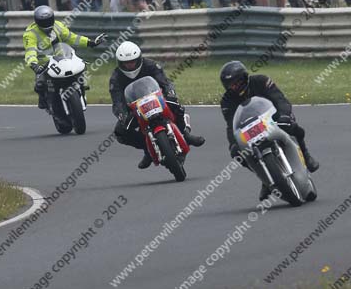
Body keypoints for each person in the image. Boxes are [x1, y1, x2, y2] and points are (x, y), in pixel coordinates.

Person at [219, 61, 319, 200]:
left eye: (238, 82)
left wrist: (284, 115)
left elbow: (279, 99)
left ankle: (306, 157)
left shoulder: (261, 81)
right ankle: (265, 178)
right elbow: (231, 126)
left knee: (293, 128)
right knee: (237, 154)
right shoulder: (226, 101)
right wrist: (233, 143)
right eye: (231, 85)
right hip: (252, 129)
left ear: (245, 77)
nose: (235, 87)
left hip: (273, 118)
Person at [109, 42, 205, 168]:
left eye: (132, 61)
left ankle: (185, 135)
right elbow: (117, 101)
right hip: (134, 109)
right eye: (126, 63)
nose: (130, 65)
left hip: (156, 99)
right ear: (120, 63)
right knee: (120, 132)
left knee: (175, 105)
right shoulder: (116, 78)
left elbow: (165, 82)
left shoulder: (151, 65)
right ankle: (147, 150)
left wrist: (170, 93)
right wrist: (122, 115)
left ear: (139, 59)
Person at [23, 6, 106, 109]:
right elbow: (30, 51)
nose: (47, 24)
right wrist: (34, 65)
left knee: (81, 66)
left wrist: (90, 42)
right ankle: (44, 99)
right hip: (44, 64)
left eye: (49, 20)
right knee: (40, 84)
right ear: (37, 21)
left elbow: (71, 38)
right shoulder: (30, 34)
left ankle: (81, 87)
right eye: (43, 22)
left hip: (62, 57)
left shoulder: (58, 26)